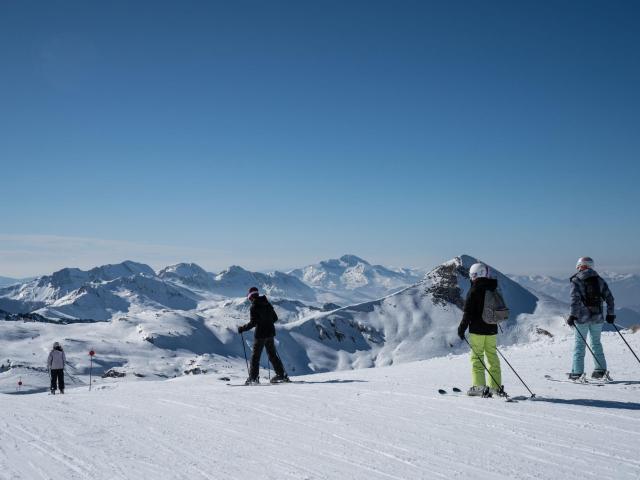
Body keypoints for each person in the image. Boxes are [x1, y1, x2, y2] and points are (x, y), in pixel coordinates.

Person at [457, 263, 506, 397]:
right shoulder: (492, 288)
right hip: (491, 329)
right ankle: (495, 387)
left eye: (472, 275)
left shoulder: (474, 291)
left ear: (475, 275)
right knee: (492, 356)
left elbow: (468, 312)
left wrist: (461, 328)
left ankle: (479, 387)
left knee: (477, 357)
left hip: (477, 330)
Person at [567, 257, 615, 380]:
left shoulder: (576, 280)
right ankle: (600, 370)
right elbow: (610, 298)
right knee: (596, 343)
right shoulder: (600, 280)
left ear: (581, 266)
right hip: (597, 317)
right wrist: (610, 314)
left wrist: (572, 315)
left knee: (579, 345)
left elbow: (575, 300)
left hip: (582, 318)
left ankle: (577, 373)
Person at [238, 287, 290, 385]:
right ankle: (281, 375)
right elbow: (275, 318)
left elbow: (253, 323)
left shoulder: (254, 306)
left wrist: (242, 328)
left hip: (260, 334)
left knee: (255, 357)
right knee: (272, 355)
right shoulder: (267, 304)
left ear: (251, 297)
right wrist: (267, 323)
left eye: (249, 298)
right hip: (270, 333)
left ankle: (253, 378)